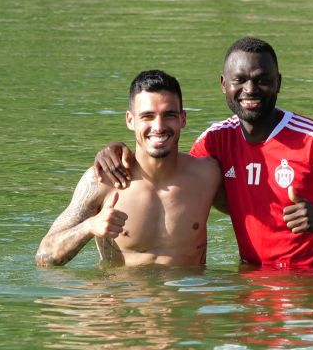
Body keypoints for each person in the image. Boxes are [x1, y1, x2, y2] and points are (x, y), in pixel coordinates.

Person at [97, 37, 313, 270]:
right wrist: (115, 151)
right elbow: (169, 168)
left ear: (278, 83)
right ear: (223, 85)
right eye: (239, 80)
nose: (250, 89)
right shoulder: (215, 140)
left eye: (262, 79)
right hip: (251, 287)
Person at [35, 70, 222, 267]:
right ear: (130, 120)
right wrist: (89, 226)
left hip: (189, 286)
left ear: (183, 119)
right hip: (122, 287)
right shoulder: (102, 180)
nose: (159, 126)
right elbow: (44, 256)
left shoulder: (208, 175)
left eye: (169, 115)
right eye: (147, 116)